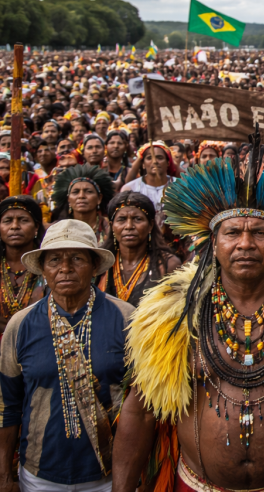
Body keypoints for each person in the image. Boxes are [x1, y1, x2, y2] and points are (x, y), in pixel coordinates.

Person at [112, 130, 264, 492]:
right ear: (212, 241)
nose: (245, 243)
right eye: (232, 231)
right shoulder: (170, 313)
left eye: (260, 232)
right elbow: (142, 410)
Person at [0, 219, 130, 491]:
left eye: (77, 258)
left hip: (110, 476)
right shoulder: (20, 325)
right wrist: (4, 475)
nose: (65, 268)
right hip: (40, 475)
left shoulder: (127, 318)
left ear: (94, 266)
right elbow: (7, 406)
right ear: (43, 270)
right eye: (55, 260)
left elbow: (145, 405)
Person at [98, 191, 181, 306]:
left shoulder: (168, 265)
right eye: (121, 219)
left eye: (137, 219)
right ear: (112, 226)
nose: (129, 226)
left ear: (150, 225)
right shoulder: (100, 263)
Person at [0, 196, 46, 336]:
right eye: (7, 221)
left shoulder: (48, 266)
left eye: (23, 220)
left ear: (36, 227)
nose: (14, 226)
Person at [50, 164, 114, 245]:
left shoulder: (112, 228)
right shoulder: (57, 230)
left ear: (99, 198)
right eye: (75, 192)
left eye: (88, 191)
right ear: (68, 199)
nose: (81, 196)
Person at [121, 141, 178, 215]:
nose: (155, 161)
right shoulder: (130, 189)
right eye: (149, 158)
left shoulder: (181, 187)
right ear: (143, 165)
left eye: (160, 158)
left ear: (168, 163)